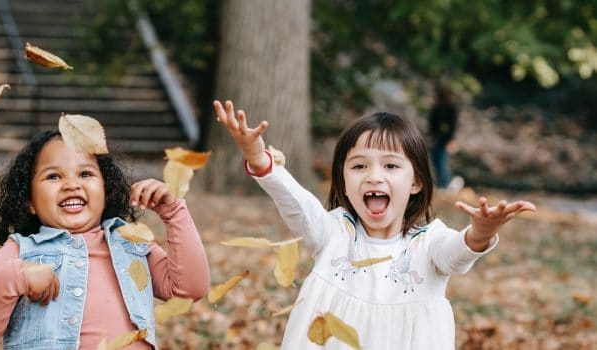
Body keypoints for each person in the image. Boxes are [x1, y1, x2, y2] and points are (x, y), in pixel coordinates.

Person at [214, 100, 535, 349]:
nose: (373, 175)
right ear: (342, 177)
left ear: (417, 182)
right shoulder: (334, 232)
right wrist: (258, 159)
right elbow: (296, 203)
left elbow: (457, 252)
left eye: (391, 165)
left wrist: (481, 232)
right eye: (359, 166)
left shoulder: (428, 242)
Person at [0, 130, 210, 350]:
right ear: (29, 201)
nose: (71, 185)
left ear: (106, 189)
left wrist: (174, 212)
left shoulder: (131, 243)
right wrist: (13, 278)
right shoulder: (22, 251)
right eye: (54, 176)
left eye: (85, 174)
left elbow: (188, 290)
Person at [428, 86, 458, 189]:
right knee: (436, 160)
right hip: (438, 138)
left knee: (441, 161)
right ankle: (442, 183)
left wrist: (450, 139)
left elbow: (452, 125)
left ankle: (444, 184)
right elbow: (432, 124)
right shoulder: (437, 108)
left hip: (444, 139)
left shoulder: (450, 108)